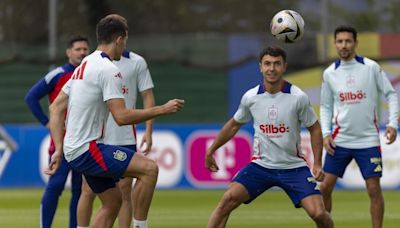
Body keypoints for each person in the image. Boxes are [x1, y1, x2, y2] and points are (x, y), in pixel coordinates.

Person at [45, 14, 184, 228]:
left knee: (113, 202)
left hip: (77, 149)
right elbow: (121, 117)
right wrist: (162, 109)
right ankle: (140, 226)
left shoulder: (85, 64)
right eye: (125, 41)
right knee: (149, 169)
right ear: (119, 40)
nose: (124, 46)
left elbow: (55, 108)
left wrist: (59, 148)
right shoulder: (109, 70)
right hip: (88, 149)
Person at [205, 46, 334, 228]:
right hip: (261, 166)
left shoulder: (298, 97)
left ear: (284, 67)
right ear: (260, 67)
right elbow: (234, 124)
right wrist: (211, 150)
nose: (271, 68)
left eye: (276, 64)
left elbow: (314, 128)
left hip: (293, 167)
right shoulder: (251, 97)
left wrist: (318, 163)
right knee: (227, 200)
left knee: (319, 214)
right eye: (267, 64)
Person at [319, 25, 398, 228]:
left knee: (373, 189)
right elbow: (326, 106)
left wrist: (392, 123)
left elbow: (391, 94)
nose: (343, 45)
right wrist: (326, 133)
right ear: (335, 43)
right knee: (325, 188)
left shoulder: (370, 67)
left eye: (348, 41)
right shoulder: (330, 73)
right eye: (339, 41)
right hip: (340, 140)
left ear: (355, 43)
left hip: (368, 140)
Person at [77, 49, 156, 228]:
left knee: (124, 192)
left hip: (123, 136)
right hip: (96, 138)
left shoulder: (137, 62)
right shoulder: (94, 62)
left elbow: (147, 96)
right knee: (87, 191)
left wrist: (149, 131)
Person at [25, 35, 90, 228]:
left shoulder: (91, 73)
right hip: (61, 142)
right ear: (68, 52)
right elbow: (31, 97)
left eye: (85, 49)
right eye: (78, 49)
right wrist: (46, 122)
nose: (82, 52)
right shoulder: (58, 73)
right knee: (55, 186)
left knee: (80, 190)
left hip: (84, 140)